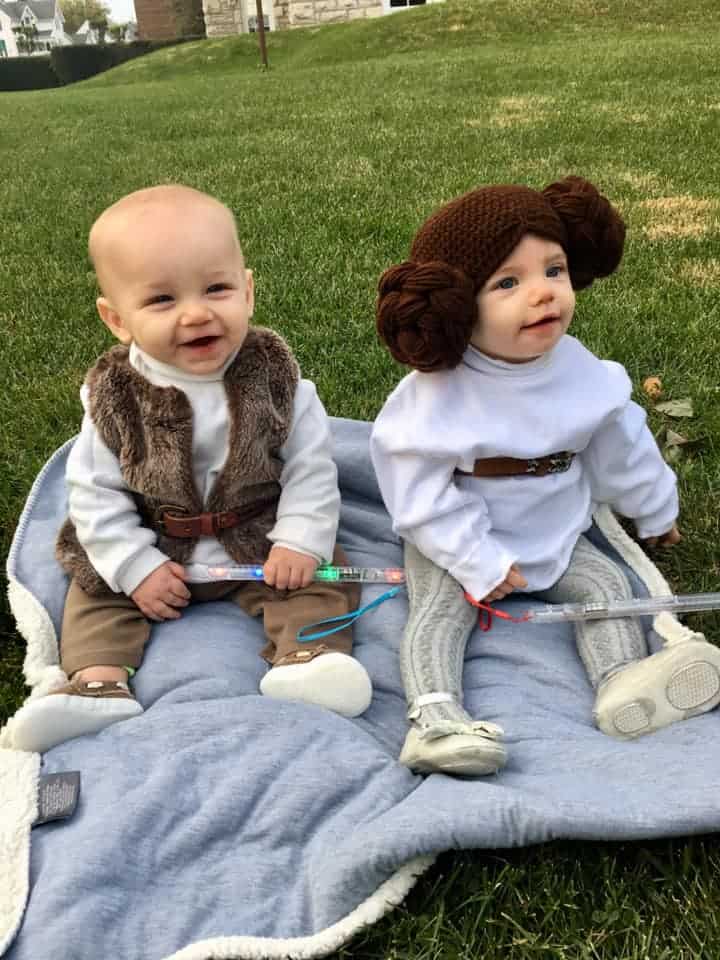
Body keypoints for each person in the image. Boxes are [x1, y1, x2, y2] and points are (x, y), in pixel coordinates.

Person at [370, 175, 720, 776]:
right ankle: (436, 718)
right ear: (456, 305)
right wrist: (475, 558)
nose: (543, 294)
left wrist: (656, 511)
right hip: (460, 532)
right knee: (437, 612)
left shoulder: (585, 375)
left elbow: (623, 448)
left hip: (555, 529)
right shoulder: (436, 396)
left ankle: (621, 685)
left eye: (553, 270)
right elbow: (417, 493)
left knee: (607, 590)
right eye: (508, 282)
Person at [12, 184, 372, 754]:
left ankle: (310, 658)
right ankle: (96, 682)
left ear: (248, 291)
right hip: (157, 536)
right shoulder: (112, 396)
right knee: (94, 587)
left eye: (217, 288)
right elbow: (94, 493)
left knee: (317, 579)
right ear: (116, 318)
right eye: (161, 301)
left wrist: (299, 541)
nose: (197, 312)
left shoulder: (280, 385)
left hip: (259, 536)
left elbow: (310, 472)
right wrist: (134, 566)